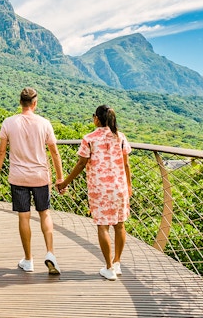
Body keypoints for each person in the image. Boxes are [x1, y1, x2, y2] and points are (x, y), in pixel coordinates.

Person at [0, 87, 64, 275]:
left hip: (18, 177)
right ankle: (50, 253)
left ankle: (28, 260)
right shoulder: (44, 123)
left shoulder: (9, 123)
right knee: (45, 214)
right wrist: (60, 177)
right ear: (35, 103)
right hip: (40, 177)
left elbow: (1, 152)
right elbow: (54, 152)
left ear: (20, 102)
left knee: (24, 217)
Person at [56, 105, 132, 281]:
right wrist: (129, 185)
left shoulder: (89, 139)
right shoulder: (120, 137)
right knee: (120, 225)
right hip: (119, 187)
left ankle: (109, 267)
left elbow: (82, 163)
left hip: (100, 189)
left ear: (96, 118)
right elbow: (126, 164)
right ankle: (117, 262)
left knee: (103, 226)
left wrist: (64, 183)